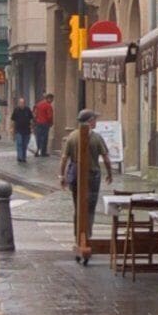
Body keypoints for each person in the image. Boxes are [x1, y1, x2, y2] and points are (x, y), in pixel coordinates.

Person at [59, 108, 112, 262]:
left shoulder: (72, 137)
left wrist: (61, 176)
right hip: (93, 176)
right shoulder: (96, 138)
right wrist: (110, 173)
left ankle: (78, 237)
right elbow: (106, 158)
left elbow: (64, 158)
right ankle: (87, 236)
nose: (96, 121)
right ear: (89, 121)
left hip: (76, 176)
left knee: (78, 207)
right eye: (94, 119)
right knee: (89, 209)